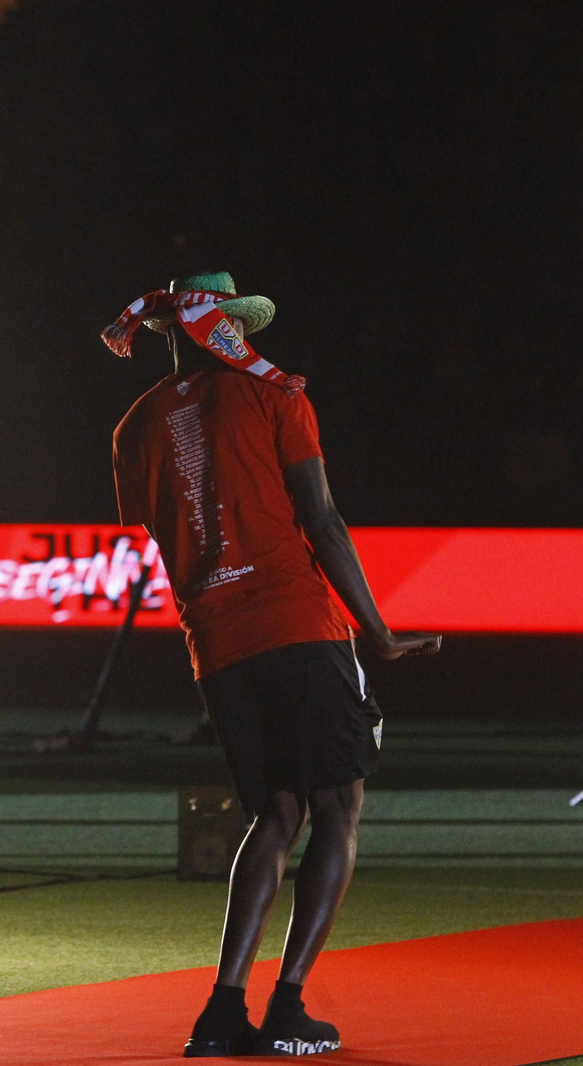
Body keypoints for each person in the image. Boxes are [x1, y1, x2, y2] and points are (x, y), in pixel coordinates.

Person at [103, 272, 441, 1057]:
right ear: (223, 327)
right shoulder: (275, 394)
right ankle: (288, 1008)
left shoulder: (135, 426)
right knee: (337, 810)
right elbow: (320, 519)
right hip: (300, 625)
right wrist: (380, 632)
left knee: (273, 815)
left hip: (217, 644)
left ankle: (223, 1012)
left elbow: (164, 535)